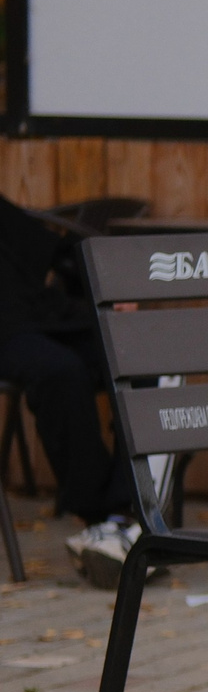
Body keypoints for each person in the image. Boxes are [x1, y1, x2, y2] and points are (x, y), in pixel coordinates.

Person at [0, 196, 136, 586]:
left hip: (42, 312)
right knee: (60, 372)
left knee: (137, 350)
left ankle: (129, 509)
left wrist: (110, 286)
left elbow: (55, 250)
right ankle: (102, 515)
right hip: (7, 334)